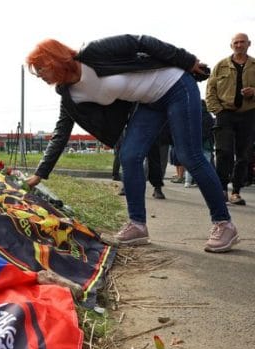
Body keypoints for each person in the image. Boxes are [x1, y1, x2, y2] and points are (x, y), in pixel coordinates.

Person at [25, 34, 239, 253]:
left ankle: (224, 223)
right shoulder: (70, 96)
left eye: (41, 68)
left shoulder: (93, 53)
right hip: (149, 103)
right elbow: (61, 133)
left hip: (175, 85)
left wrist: (187, 60)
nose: (40, 75)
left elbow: (141, 41)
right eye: (37, 71)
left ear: (55, 58)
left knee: (189, 155)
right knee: (129, 155)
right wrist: (39, 174)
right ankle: (137, 225)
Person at [205, 33, 255, 206]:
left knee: (243, 155)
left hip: (248, 114)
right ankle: (221, 190)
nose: (239, 45)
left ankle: (236, 192)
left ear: (249, 44)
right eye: (236, 42)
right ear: (231, 45)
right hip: (224, 113)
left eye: (242, 42)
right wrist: (217, 110)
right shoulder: (220, 65)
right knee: (223, 152)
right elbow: (210, 90)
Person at [184, 100, 216, 187]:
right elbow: (210, 130)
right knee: (206, 163)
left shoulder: (191, 114)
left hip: (193, 142)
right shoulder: (208, 116)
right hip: (206, 143)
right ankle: (204, 182)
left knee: (191, 162)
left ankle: (188, 181)